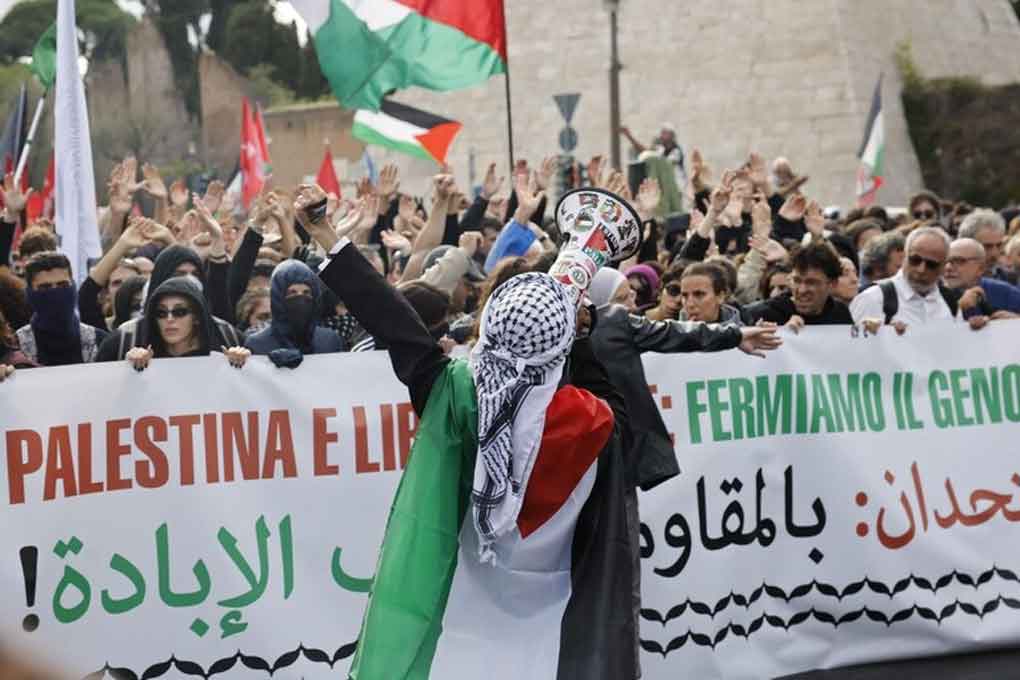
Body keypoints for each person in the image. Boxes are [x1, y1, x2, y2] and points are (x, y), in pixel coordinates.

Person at [299, 180, 642, 679]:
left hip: (456, 615)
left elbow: (394, 321)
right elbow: (617, 417)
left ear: (492, 324)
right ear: (561, 343)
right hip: (552, 626)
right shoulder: (595, 422)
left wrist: (325, 233)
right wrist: (581, 341)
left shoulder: (454, 394)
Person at [124, 276, 250, 370]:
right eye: (161, 313)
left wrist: (242, 362)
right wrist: (131, 367)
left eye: (179, 312)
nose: (169, 319)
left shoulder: (225, 346)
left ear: (196, 317)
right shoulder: (142, 355)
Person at [850, 227, 958, 332]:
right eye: (915, 260)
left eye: (931, 265)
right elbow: (853, 341)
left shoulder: (949, 300)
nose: (921, 269)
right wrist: (886, 336)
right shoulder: (874, 298)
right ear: (904, 256)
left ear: (944, 266)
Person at [15, 252, 108, 366]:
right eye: (45, 287)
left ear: (73, 287)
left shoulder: (100, 341)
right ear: (30, 293)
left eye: (63, 285)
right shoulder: (15, 346)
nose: (55, 293)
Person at [244, 259, 344, 365]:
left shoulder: (330, 340)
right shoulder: (257, 344)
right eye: (292, 293)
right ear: (278, 298)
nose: (300, 300)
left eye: (306, 293)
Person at [743, 241, 853, 328]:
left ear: (832, 284)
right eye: (797, 281)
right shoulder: (765, 315)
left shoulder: (840, 315)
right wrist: (782, 334)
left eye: (811, 283)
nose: (801, 290)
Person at [942, 238, 1020, 319]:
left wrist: (1015, 320)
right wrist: (958, 309)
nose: (948, 267)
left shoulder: (1005, 292)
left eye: (959, 261)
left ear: (981, 268)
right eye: (945, 261)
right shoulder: (935, 295)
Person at [957, 209, 1018, 285]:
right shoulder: (950, 280)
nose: (994, 253)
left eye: (999, 245)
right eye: (987, 246)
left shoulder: (1011, 280)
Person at [678, 262, 743, 324]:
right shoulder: (673, 330)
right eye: (685, 296)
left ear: (720, 296)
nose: (690, 304)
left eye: (699, 295)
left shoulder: (742, 331)